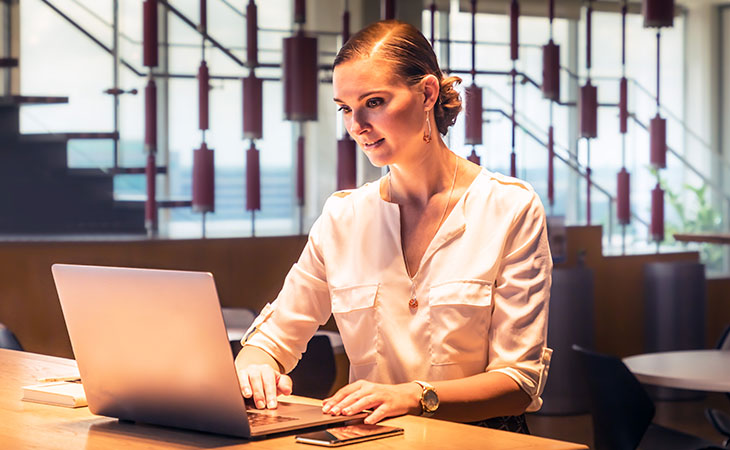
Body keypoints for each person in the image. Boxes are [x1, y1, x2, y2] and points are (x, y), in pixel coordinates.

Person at [234, 20, 552, 433]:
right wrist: (256, 366)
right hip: (373, 441)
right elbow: (272, 340)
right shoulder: (343, 217)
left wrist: (414, 396)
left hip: (484, 440)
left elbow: (518, 383)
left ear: (427, 93)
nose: (356, 125)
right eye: (346, 108)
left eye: (375, 102)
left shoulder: (510, 207)